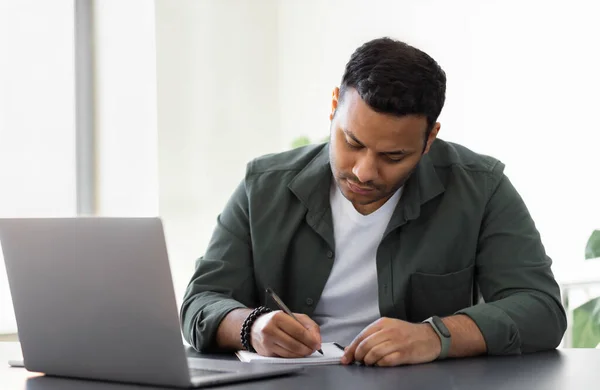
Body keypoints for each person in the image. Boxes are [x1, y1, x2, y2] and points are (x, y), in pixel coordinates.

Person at [180, 37, 566, 367]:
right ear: (334, 106)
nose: (364, 171)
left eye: (393, 156)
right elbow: (201, 300)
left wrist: (436, 337)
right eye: (352, 143)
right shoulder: (263, 186)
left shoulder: (481, 188)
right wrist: (251, 327)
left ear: (429, 138)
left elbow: (541, 308)